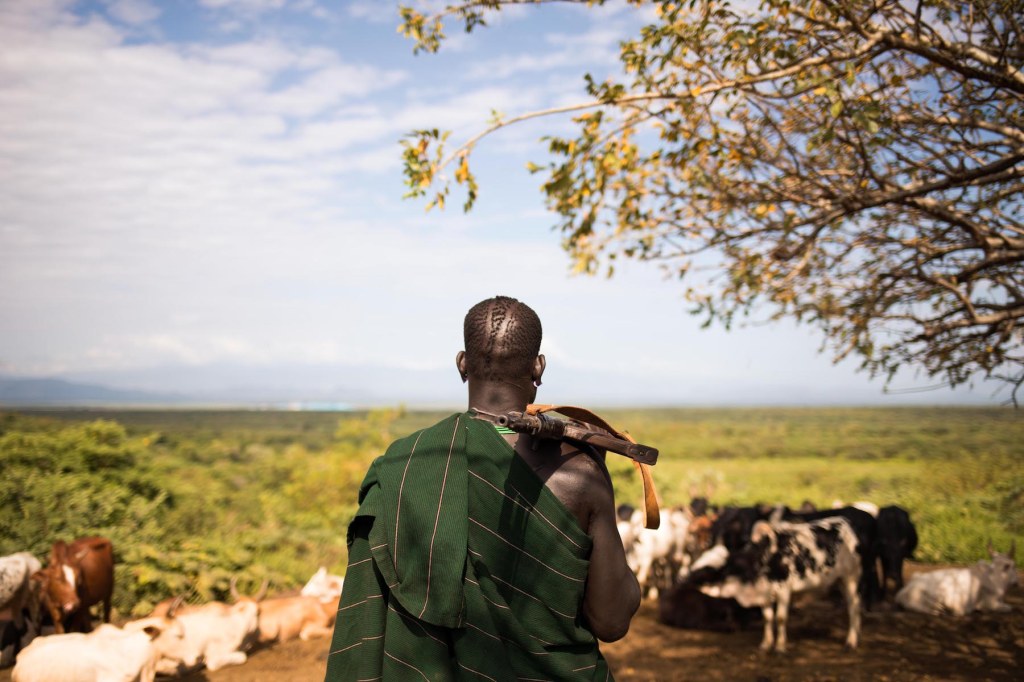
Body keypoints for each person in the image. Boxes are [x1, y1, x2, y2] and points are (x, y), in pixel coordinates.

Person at [324, 295, 640, 681]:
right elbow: (612, 621)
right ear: (538, 367)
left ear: (462, 364)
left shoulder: (401, 465)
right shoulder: (580, 474)